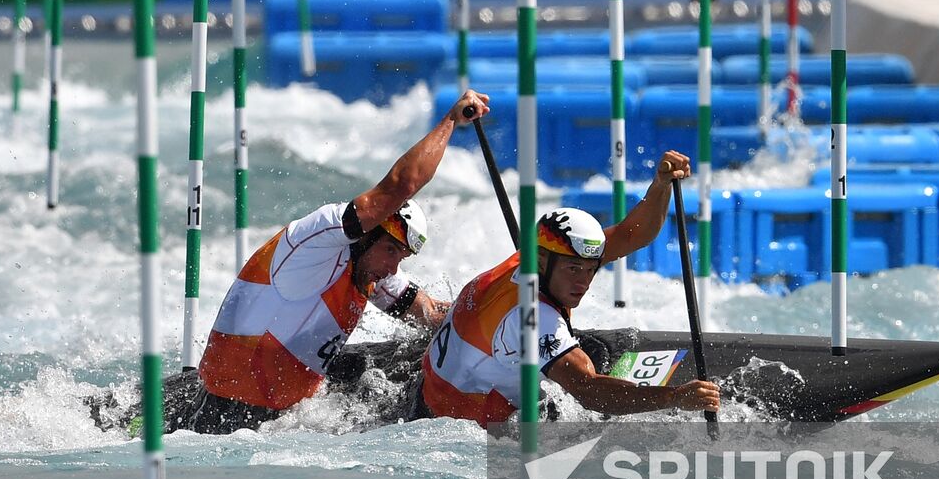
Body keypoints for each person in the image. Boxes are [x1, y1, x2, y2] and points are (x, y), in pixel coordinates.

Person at [180, 87, 491, 434]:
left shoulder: (371, 272)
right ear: (370, 233)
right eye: (391, 251)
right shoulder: (320, 242)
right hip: (226, 415)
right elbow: (401, 184)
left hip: (285, 416)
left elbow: (432, 314)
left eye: (402, 257)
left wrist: (503, 315)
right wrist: (450, 120)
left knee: (421, 351)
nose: (393, 267)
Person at [417, 150, 720, 426]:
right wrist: (675, 397)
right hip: (459, 426)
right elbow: (589, 392)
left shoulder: (535, 257)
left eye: (591, 269)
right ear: (544, 260)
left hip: (432, 386)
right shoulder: (532, 317)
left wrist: (661, 185)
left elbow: (630, 235)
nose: (584, 282)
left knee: (585, 353)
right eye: (574, 269)